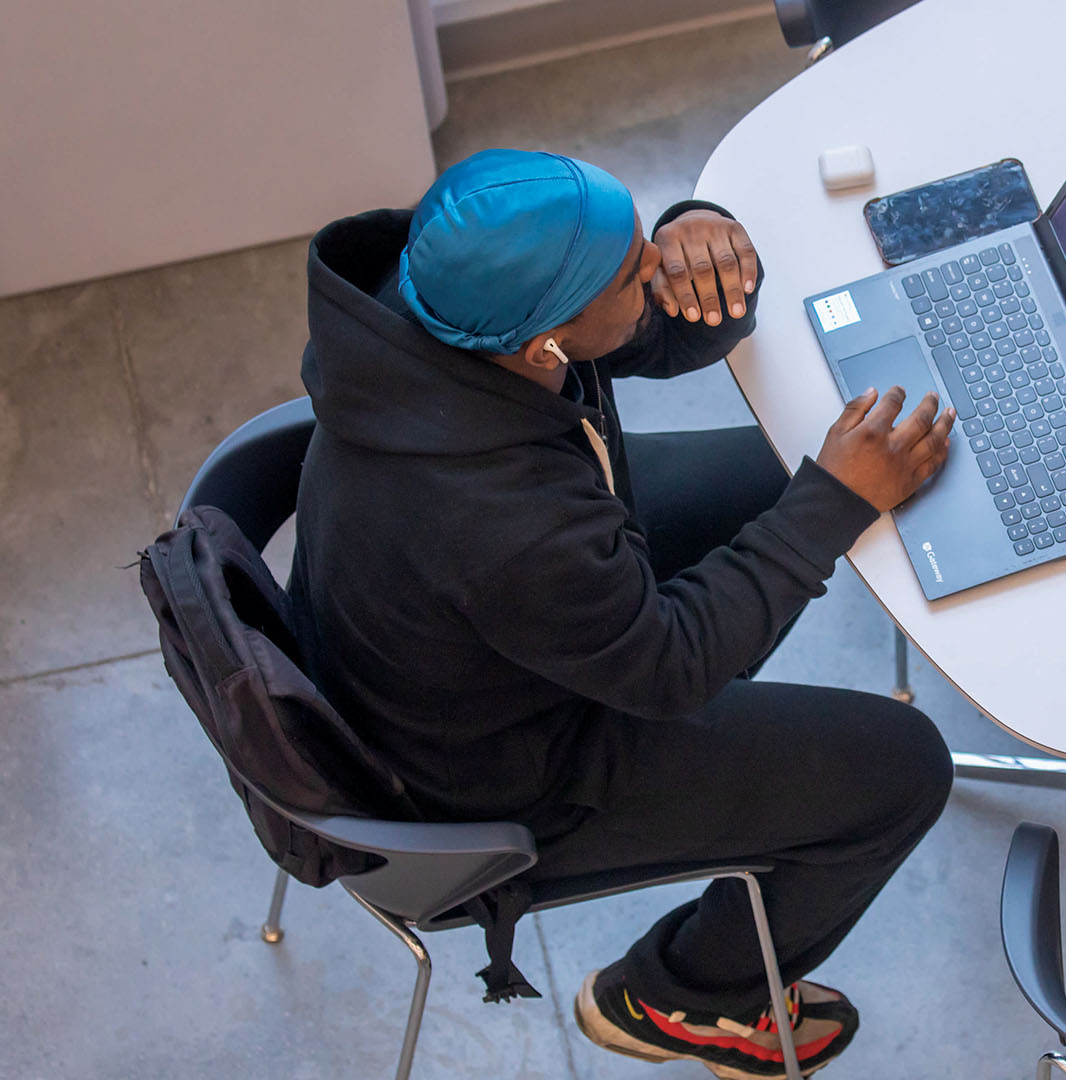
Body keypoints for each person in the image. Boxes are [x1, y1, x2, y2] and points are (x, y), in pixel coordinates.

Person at [287, 148, 957, 1078]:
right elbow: (670, 667)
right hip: (498, 774)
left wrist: (703, 239)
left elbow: (655, 332)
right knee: (902, 768)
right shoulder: (498, 525)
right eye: (636, 272)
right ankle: (682, 996)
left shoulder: (449, 301)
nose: (654, 270)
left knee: (796, 482)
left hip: (485, 636)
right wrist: (834, 504)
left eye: (643, 240)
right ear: (545, 348)